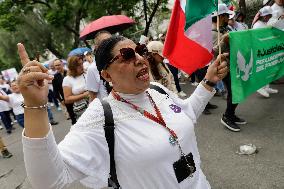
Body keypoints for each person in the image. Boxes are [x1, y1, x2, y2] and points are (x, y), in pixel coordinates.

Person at [18, 35, 228, 189]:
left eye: (139, 50)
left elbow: (188, 114)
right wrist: (35, 108)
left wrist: (208, 81)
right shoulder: (99, 116)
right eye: (126, 55)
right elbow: (50, 180)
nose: (139, 58)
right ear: (107, 75)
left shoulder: (157, 90)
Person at [212, 3, 247, 132]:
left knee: (236, 91)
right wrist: (224, 41)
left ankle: (231, 115)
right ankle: (227, 116)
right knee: (234, 92)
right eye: (227, 15)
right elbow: (214, 52)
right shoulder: (213, 32)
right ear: (221, 16)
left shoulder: (224, 28)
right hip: (224, 67)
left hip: (232, 65)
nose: (229, 18)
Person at [253, 6, 279, 98]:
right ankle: (259, 87)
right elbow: (256, 40)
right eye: (269, 15)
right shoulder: (258, 25)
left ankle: (266, 86)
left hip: (266, 51)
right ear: (264, 16)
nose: (270, 17)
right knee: (262, 69)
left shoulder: (263, 24)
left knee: (267, 69)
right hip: (260, 52)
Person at [86, 31, 112, 101]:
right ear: (97, 47)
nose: (109, 44)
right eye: (104, 42)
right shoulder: (92, 69)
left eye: (111, 40)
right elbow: (92, 97)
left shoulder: (118, 61)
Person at [52, 59, 77, 124]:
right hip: (67, 99)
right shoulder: (55, 77)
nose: (57, 66)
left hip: (76, 96)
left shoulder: (69, 72)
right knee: (73, 118)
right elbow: (55, 91)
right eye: (56, 65)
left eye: (59, 65)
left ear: (62, 64)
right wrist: (61, 100)